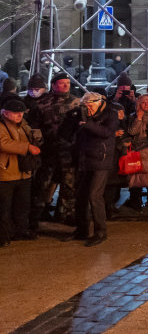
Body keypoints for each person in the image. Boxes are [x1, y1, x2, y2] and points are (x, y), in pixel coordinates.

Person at [72, 93, 120, 247]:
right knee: (80, 196)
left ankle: (100, 231)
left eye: (90, 106)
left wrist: (86, 122)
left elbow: (106, 133)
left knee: (94, 195)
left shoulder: (111, 114)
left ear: (99, 102)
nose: (88, 109)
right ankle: (82, 229)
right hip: (85, 159)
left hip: (101, 160)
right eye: (85, 106)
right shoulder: (83, 114)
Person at [34, 72, 81, 225]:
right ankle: (39, 212)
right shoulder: (42, 104)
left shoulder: (76, 102)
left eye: (67, 83)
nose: (66, 85)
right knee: (44, 183)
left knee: (69, 183)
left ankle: (65, 213)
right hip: (49, 150)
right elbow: (36, 127)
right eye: (62, 83)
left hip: (69, 151)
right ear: (54, 85)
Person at [0, 100, 41, 246]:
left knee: (22, 204)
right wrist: (27, 147)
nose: (19, 115)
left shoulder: (23, 124)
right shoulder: (1, 125)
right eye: (16, 113)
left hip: (24, 173)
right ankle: (3, 235)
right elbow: (3, 143)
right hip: (6, 173)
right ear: (5, 113)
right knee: (4, 207)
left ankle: (20, 230)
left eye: (22, 113)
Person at [123, 94, 148, 209]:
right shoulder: (133, 116)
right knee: (138, 176)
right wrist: (139, 119)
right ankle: (136, 199)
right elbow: (131, 131)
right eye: (143, 102)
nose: (146, 105)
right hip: (139, 150)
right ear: (139, 103)